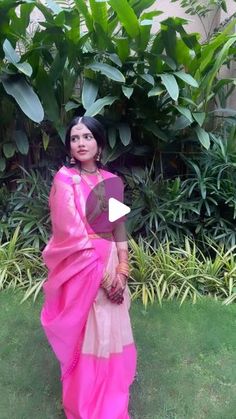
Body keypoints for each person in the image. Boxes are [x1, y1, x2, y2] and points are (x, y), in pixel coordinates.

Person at [40, 116, 137, 419]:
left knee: (110, 332)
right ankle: (84, 405)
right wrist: (105, 278)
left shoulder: (112, 180)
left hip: (109, 261)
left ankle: (111, 398)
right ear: (69, 146)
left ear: (99, 143)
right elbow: (72, 233)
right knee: (88, 333)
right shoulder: (65, 179)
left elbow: (118, 225)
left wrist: (122, 268)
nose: (80, 143)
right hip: (82, 268)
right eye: (74, 138)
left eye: (87, 137)